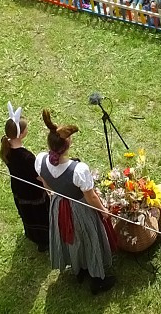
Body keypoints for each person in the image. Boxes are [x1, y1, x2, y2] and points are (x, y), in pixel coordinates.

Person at [36, 109, 116, 293]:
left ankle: (78, 269)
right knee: (88, 238)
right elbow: (91, 196)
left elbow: (45, 183)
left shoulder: (40, 160)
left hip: (58, 205)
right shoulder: (78, 170)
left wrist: (55, 194)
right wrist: (103, 211)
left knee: (71, 239)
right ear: (67, 145)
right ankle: (97, 280)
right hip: (80, 209)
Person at [1, 103, 49, 252]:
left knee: (27, 214)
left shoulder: (6, 150)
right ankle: (44, 241)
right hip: (32, 192)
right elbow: (37, 177)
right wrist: (48, 186)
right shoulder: (27, 157)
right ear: (21, 134)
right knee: (39, 216)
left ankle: (32, 235)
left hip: (19, 189)